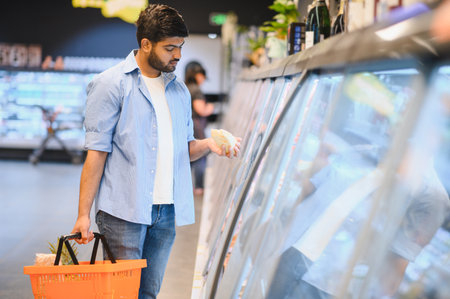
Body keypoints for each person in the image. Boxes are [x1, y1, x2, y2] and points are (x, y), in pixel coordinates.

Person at [71, 4, 240, 299]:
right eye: (170, 48)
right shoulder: (110, 85)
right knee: (122, 294)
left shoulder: (179, 91)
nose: (178, 55)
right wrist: (83, 215)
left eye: (180, 47)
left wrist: (208, 145)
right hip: (123, 211)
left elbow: (184, 149)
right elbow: (96, 153)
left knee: (149, 293)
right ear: (145, 44)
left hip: (166, 210)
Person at [185, 61, 215, 196]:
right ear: (197, 75)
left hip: (188, 125)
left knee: (188, 155)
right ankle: (199, 187)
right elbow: (200, 110)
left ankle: (186, 186)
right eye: (202, 76)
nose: (203, 80)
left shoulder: (185, 87)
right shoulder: (196, 90)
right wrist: (210, 108)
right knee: (201, 154)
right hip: (196, 126)